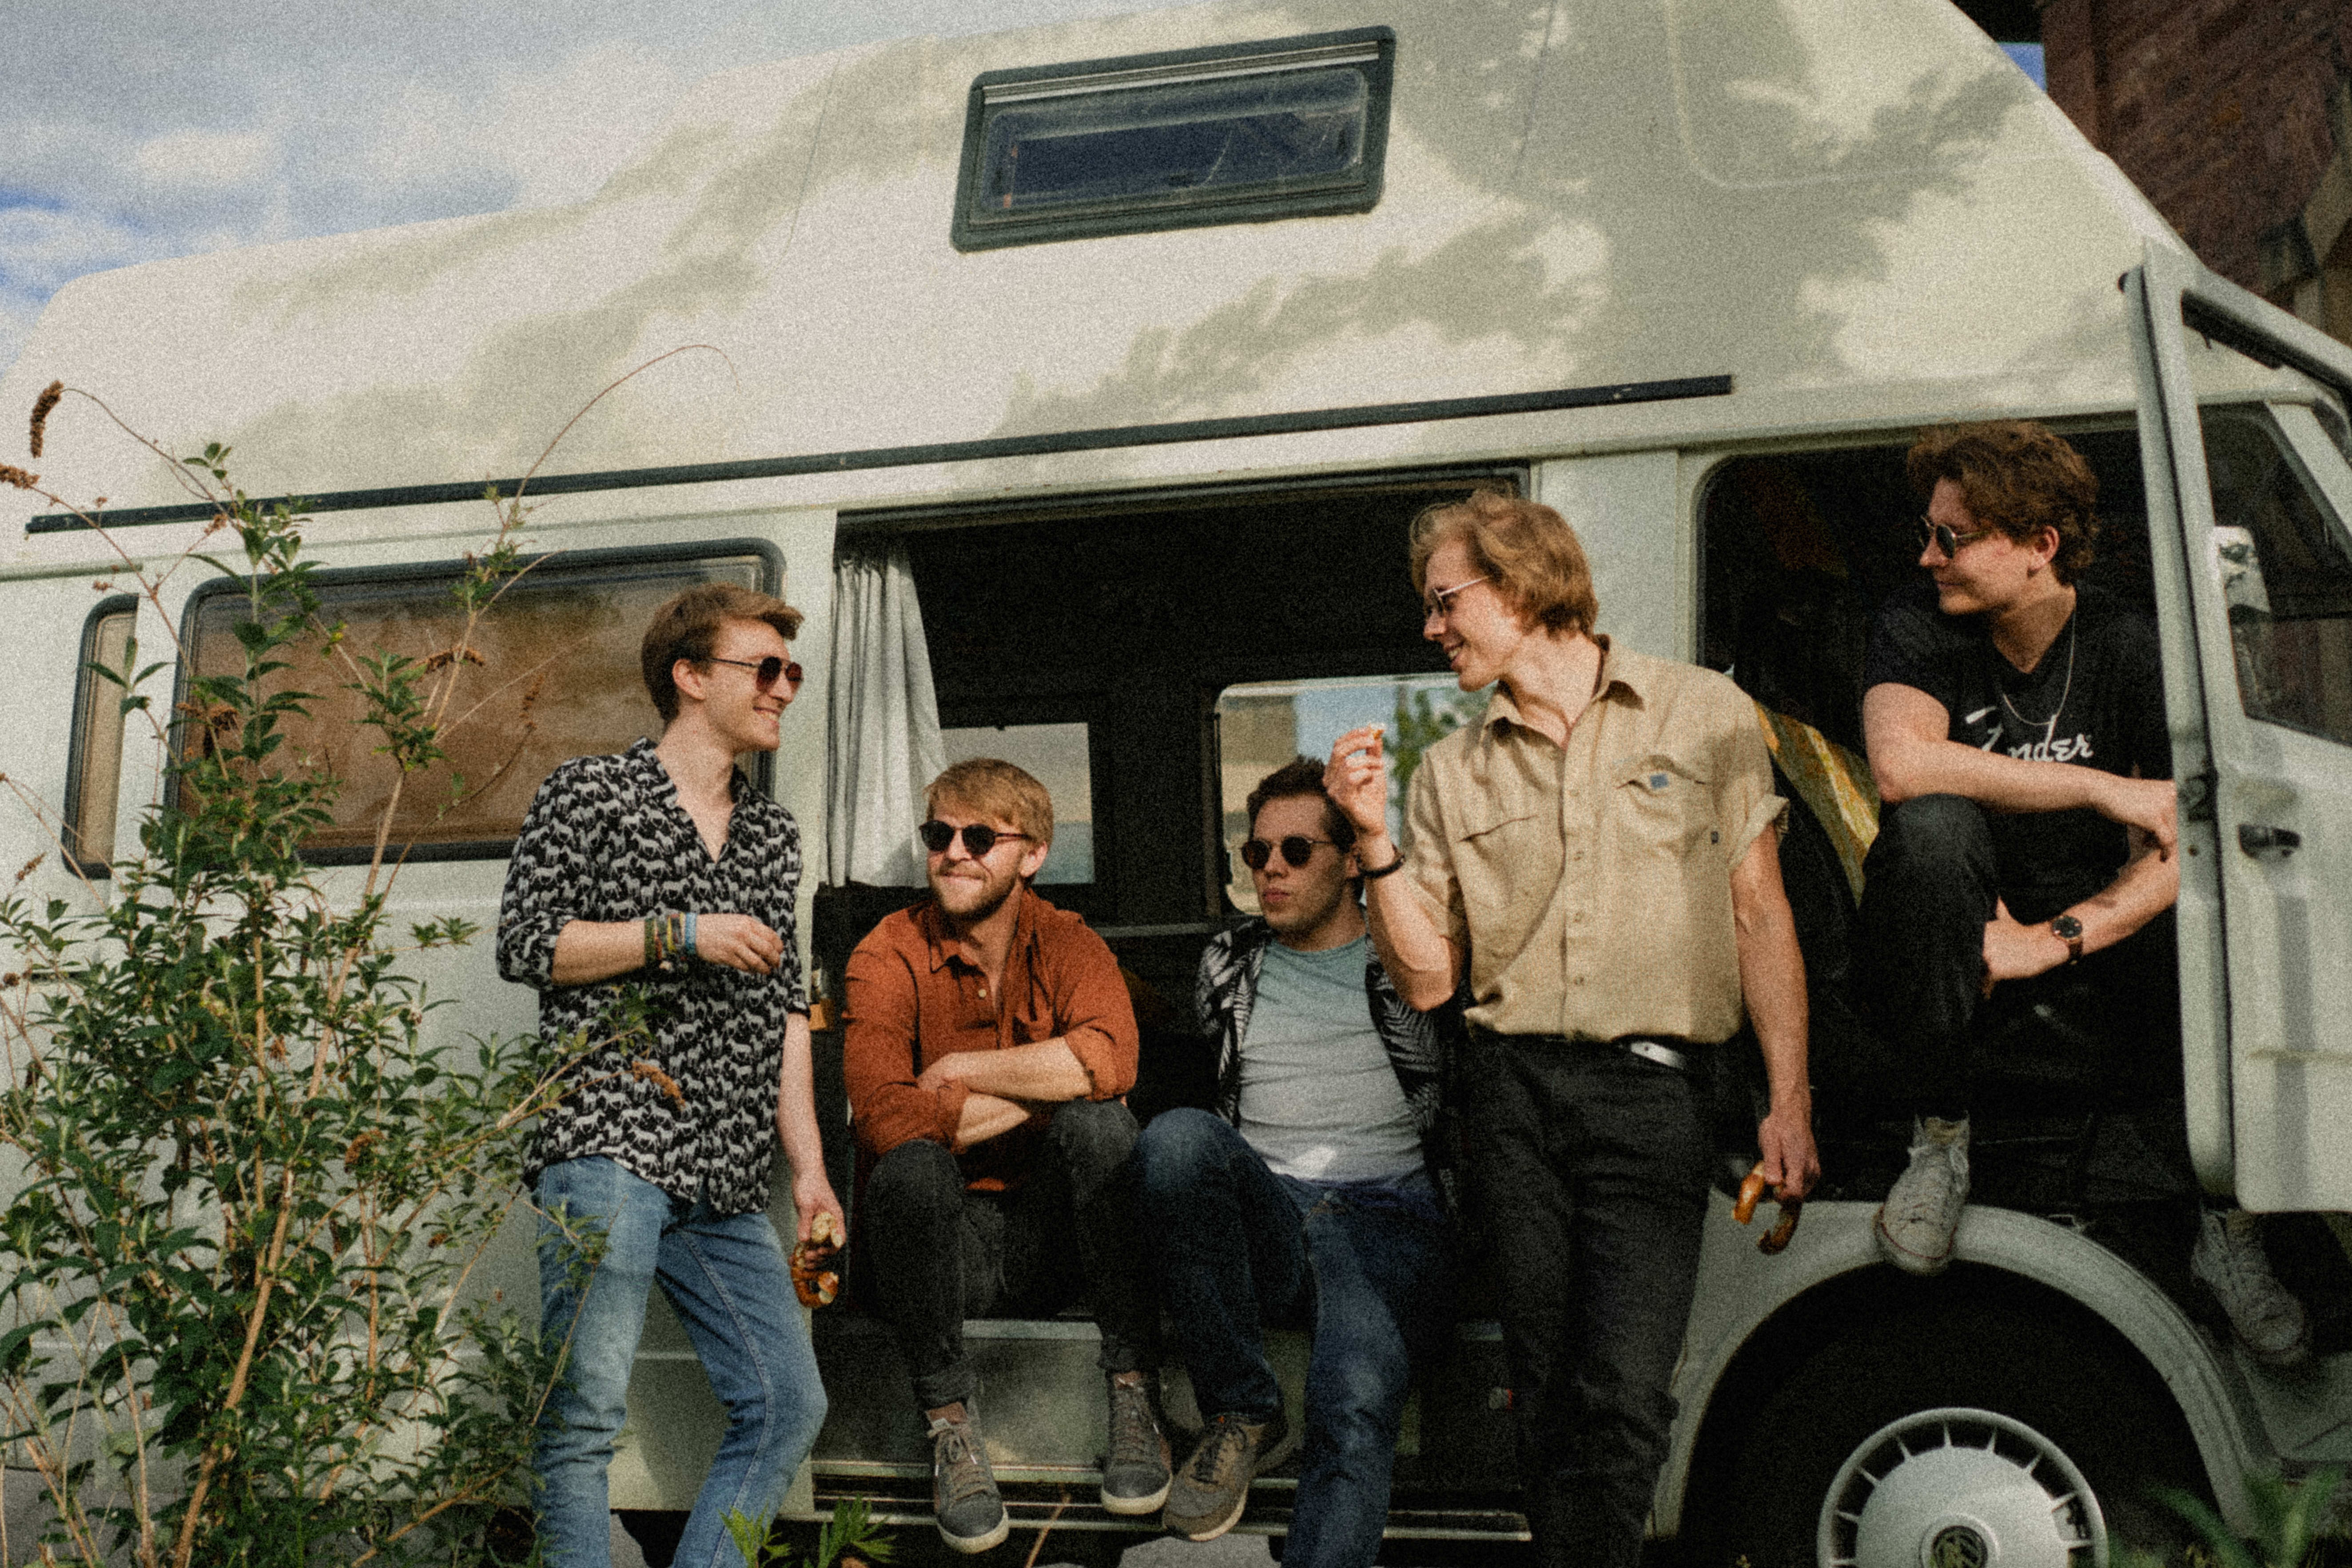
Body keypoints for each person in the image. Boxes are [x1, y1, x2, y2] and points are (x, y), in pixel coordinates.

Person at [1326, 489, 1819, 1568]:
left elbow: (1759, 913)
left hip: (1656, 1094)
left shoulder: (1701, 711)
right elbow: (1427, 981)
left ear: (1519, 584)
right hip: (1510, 1099)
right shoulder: (1449, 769)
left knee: (1624, 1390)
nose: (1430, 626)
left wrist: (1789, 1100)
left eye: (1444, 600)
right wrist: (1370, 839)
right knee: (1546, 1392)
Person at [1859, 419, 2308, 1363]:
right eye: (1925, 532)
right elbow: (1901, 765)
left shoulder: (2125, 641)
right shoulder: (1915, 621)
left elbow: (2189, 837)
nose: (1926, 555)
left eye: (1950, 537)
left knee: (2222, 893)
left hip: (2087, 929)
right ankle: (1938, 1138)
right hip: (1955, 924)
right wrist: (2101, 786)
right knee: (1930, 831)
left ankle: (2224, 1222)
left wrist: (2052, 938)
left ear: (2038, 545)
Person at [497, 583, 837, 1568]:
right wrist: (677, 933)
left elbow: (786, 1012)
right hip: (611, 1136)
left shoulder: (773, 835)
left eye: (790, 671)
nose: (783, 688)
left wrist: (809, 1172)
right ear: (689, 676)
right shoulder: (589, 792)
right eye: (762, 668)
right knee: (584, 1412)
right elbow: (526, 943)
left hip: (723, 1168)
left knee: (787, 1402)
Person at [1133, 758, 1456, 1562]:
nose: (1271, 869)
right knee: (1175, 1139)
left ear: (1349, 862)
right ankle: (1243, 1407)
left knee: (1352, 1401)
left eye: (1297, 851)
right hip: (1272, 1210)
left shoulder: (1404, 954)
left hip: (1386, 1215)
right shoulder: (1229, 961)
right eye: (1258, 852)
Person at [842, 758, 1168, 1554]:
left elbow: (1114, 1057)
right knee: (911, 1166)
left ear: (1033, 854)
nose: (954, 852)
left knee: (1102, 1129)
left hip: (1048, 1239)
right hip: (937, 1250)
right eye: (939, 834)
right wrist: (1051, 1082)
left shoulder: (1068, 941)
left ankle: (1135, 1394)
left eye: (980, 837)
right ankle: (950, 1427)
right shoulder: (888, 951)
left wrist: (963, 1069)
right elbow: (884, 1115)